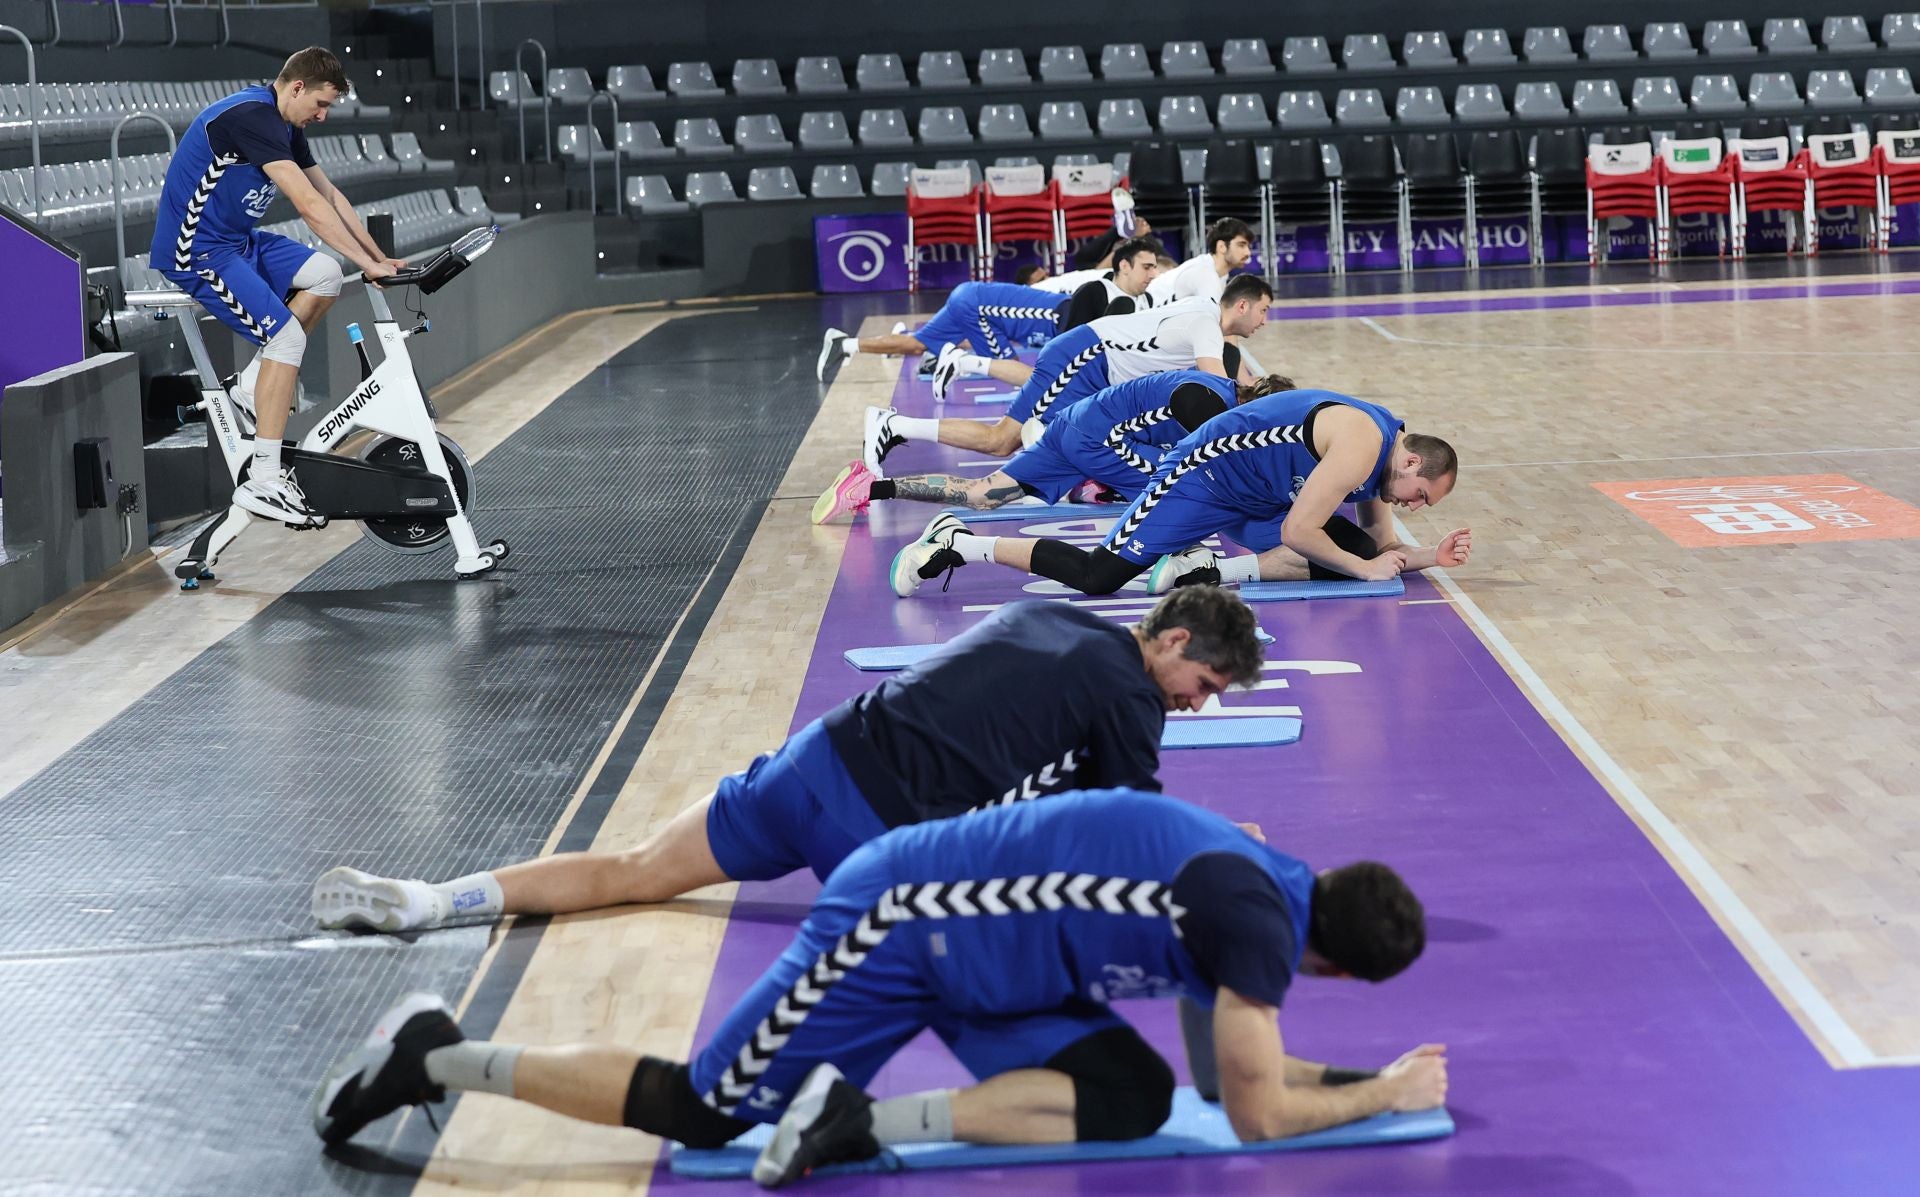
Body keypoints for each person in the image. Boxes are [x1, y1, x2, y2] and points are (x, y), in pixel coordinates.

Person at [312, 788, 1445, 1190]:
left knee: (1131, 1092)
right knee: (706, 1109)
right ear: (1329, 963)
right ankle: (437, 1054)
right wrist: (1377, 1100)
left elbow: (1214, 1072)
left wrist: (1346, 1076)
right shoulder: (1253, 926)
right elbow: (1251, 1112)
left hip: (995, 964)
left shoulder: (1257, 886)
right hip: (903, 921)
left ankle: (856, 1122)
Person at [311, 590, 1264, 934]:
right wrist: (1228, 844)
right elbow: (1127, 826)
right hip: (882, 833)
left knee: (636, 868)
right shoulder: (1133, 694)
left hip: (814, 762)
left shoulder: (1047, 614)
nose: (1198, 700)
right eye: (1207, 681)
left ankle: (435, 900)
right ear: (1172, 639)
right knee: (1007, 938)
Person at [148, 47, 403, 526]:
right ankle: (264, 479)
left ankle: (249, 388)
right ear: (297, 87)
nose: (323, 117)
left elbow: (330, 194)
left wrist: (376, 258)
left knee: (326, 274)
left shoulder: (287, 123)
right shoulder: (251, 116)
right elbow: (308, 205)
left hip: (238, 242)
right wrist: (367, 263)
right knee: (286, 337)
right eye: (321, 105)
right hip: (197, 249)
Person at [888, 389, 1471, 598]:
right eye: (1421, 495)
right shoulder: (1362, 444)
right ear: (1412, 460)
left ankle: (1206, 573)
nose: (1414, 505)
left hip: (1260, 496)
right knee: (1099, 578)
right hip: (1202, 475)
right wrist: (1368, 568)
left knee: (1347, 560)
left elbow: (1376, 546)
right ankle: (962, 542)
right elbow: (1300, 533)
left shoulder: (1386, 447)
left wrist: (1426, 557)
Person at [860, 275, 1273, 470]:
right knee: (1001, 440)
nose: (1265, 321)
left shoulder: (1203, 318)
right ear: (1242, 305)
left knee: (1076, 443)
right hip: (1083, 358)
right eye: (1264, 310)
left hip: (1096, 370)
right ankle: (894, 425)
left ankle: (1040, 443)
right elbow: (1216, 393)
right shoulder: (1205, 325)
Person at [812, 363, 1294, 524]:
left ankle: (872, 486)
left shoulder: (1214, 391)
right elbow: (1214, 467)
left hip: (1074, 428)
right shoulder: (1208, 398)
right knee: (1177, 485)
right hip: (1098, 437)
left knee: (983, 496)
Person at [816, 238, 1162, 390]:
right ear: (1124, 267)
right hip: (978, 303)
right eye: (1146, 267)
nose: (1152, 275)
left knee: (919, 344)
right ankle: (957, 361)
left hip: (975, 299)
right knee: (1026, 378)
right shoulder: (1093, 289)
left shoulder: (1127, 296)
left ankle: (846, 345)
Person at [1144, 217, 1254, 307]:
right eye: (1241, 245)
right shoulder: (1204, 272)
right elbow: (1218, 324)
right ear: (1221, 247)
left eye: (1248, 247)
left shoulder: (1218, 273)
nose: (1248, 253)